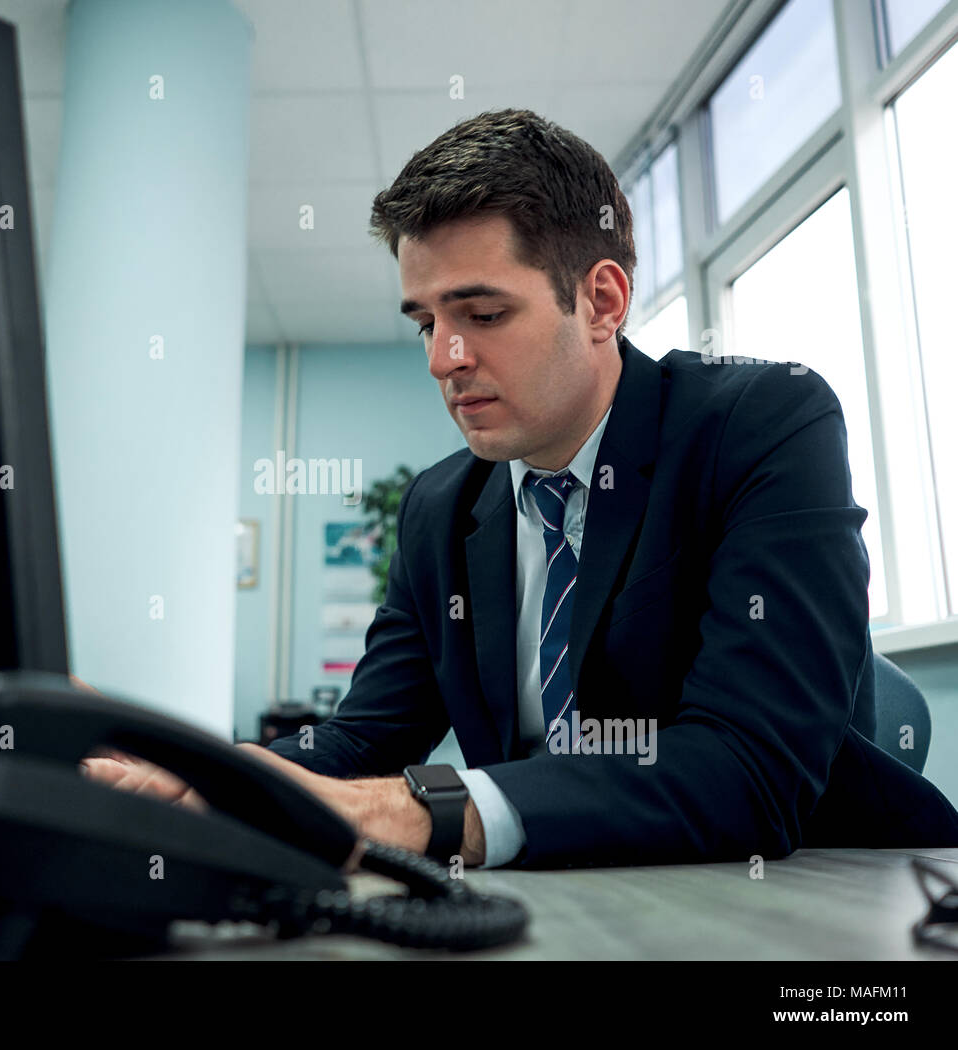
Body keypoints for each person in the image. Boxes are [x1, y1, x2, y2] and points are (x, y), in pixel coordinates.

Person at [81, 108, 958, 869]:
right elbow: (361, 741)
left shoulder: (763, 425)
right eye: (426, 322)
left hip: (815, 895)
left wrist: (426, 809)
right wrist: (203, 771)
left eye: (482, 316)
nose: (443, 361)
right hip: (568, 892)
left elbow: (748, 772)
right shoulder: (440, 510)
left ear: (603, 301)